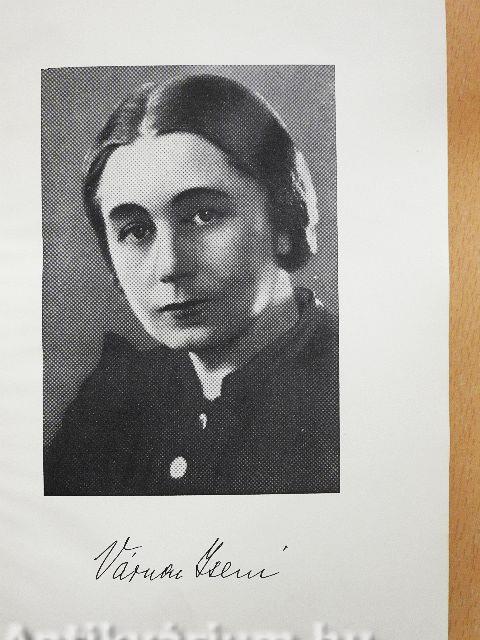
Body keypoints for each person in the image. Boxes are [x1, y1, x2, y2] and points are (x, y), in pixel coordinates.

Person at [44, 74, 339, 495]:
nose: (169, 266)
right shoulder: (112, 402)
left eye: (203, 216)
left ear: (283, 221)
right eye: (136, 231)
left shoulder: (350, 388)